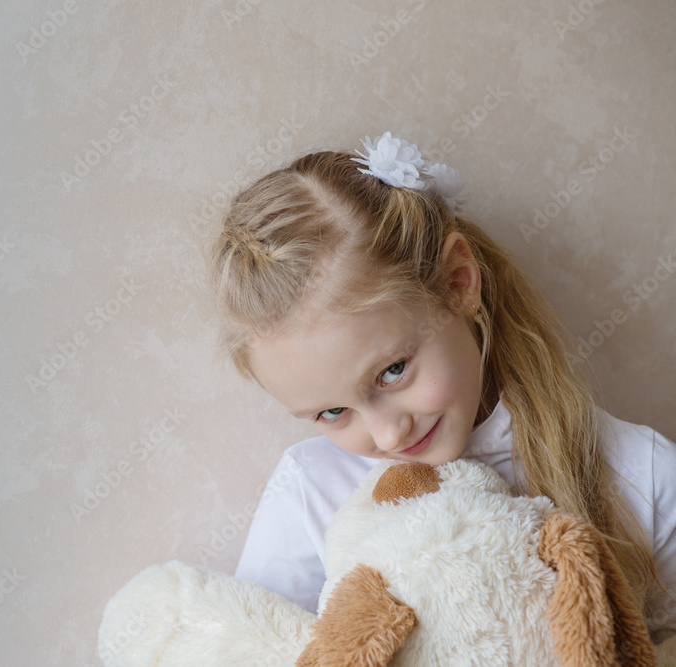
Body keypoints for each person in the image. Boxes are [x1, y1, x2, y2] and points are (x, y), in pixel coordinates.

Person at [206, 133, 676, 645]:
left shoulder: (641, 475)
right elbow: (250, 648)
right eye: (333, 412)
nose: (388, 435)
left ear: (457, 282)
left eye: (393, 371)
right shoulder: (309, 492)